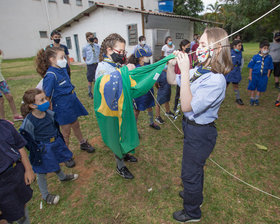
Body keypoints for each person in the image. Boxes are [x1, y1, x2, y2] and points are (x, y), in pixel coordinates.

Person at [167, 27, 232, 222]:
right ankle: (195, 196)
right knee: (195, 169)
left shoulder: (216, 80)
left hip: (201, 133)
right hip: (190, 128)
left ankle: (192, 212)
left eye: (203, 45)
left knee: (189, 174)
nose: (197, 48)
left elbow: (187, 106)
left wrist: (185, 72)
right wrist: (172, 66)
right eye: (198, 43)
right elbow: (172, 81)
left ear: (217, 49)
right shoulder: (200, 70)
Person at [94, 33, 174, 179]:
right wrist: (125, 71)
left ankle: (124, 154)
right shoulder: (102, 67)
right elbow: (105, 86)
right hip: (112, 112)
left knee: (124, 132)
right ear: (109, 50)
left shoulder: (116, 64)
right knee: (117, 136)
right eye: (120, 51)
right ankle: (120, 166)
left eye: (124, 52)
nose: (123, 54)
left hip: (123, 106)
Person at [35, 46, 95, 168]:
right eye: (62, 57)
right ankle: (65, 154)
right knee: (65, 132)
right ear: (52, 59)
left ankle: (82, 143)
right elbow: (47, 95)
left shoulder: (61, 69)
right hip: (62, 106)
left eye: (64, 57)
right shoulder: (50, 75)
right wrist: (49, 111)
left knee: (76, 124)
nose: (65, 60)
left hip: (71, 101)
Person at [19, 88, 78, 205]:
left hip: (54, 143)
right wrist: (37, 150)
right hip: (42, 149)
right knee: (41, 171)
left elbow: (54, 127)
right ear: (32, 105)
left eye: (45, 98)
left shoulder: (49, 114)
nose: (46, 101)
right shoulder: (29, 122)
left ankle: (62, 177)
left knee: (54, 161)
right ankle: (45, 195)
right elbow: (26, 138)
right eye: (41, 100)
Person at [0, 119, 35, 224]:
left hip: (16, 173)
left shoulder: (4, 125)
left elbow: (19, 146)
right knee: (4, 217)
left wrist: (28, 169)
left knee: (22, 204)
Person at [131, 49, 160, 130]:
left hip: (148, 92)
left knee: (149, 106)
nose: (148, 57)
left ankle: (151, 122)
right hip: (140, 94)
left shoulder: (146, 66)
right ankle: (134, 128)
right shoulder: (136, 68)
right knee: (137, 111)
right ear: (141, 57)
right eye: (146, 56)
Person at [247, 40, 273, 106]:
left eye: (267, 48)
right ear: (260, 48)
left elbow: (270, 67)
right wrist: (250, 75)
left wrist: (267, 75)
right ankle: (252, 98)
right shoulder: (255, 57)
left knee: (260, 87)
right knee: (253, 87)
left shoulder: (269, 58)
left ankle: (257, 99)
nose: (266, 50)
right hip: (254, 75)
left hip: (263, 76)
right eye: (264, 48)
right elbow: (251, 67)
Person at [0, 49, 23, 121]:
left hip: (1, 80)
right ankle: (3, 120)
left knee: (10, 97)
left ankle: (16, 115)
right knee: (1, 100)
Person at [173, 40, 193, 119]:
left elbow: (190, 64)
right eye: (187, 46)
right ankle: (176, 109)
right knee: (178, 93)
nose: (189, 48)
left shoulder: (189, 54)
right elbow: (177, 66)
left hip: (189, 76)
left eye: (189, 46)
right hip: (181, 76)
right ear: (183, 47)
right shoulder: (180, 55)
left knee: (187, 92)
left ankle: (186, 107)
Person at [154, 56, 174, 124]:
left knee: (167, 100)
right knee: (158, 103)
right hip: (162, 90)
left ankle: (168, 112)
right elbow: (155, 82)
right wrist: (158, 87)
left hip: (168, 88)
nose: (167, 64)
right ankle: (157, 116)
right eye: (166, 62)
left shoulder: (168, 70)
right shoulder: (158, 72)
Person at [225, 40, 244, 105]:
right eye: (239, 45)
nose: (240, 47)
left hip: (236, 71)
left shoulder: (240, 53)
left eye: (241, 45)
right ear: (234, 46)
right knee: (225, 85)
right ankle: (219, 98)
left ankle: (238, 98)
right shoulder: (230, 52)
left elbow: (240, 62)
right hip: (229, 72)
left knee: (236, 85)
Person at [82, 32, 100, 99]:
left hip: (97, 64)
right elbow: (84, 57)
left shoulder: (97, 46)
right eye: (90, 37)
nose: (92, 38)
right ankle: (90, 92)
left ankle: (97, 92)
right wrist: (89, 61)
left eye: (92, 36)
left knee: (97, 78)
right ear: (87, 38)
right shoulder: (85, 47)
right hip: (90, 65)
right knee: (90, 79)